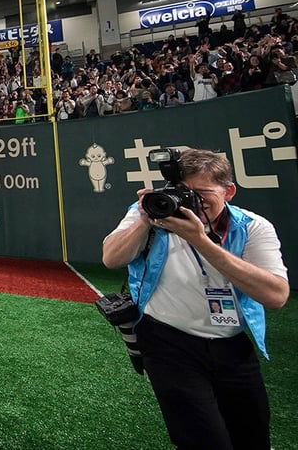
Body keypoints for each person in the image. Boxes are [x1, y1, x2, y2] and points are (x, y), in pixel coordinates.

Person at [102, 148, 289, 450]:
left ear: (229, 191)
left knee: (253, 437)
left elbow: (276, 296)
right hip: (167, 343)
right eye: (183, 193)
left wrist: (200, 240)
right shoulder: (151, 214)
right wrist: (145, 220)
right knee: (204, 440)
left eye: (202, 194)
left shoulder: (252, 226)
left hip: (232, 345)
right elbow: (111, 258)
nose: (190, 204)